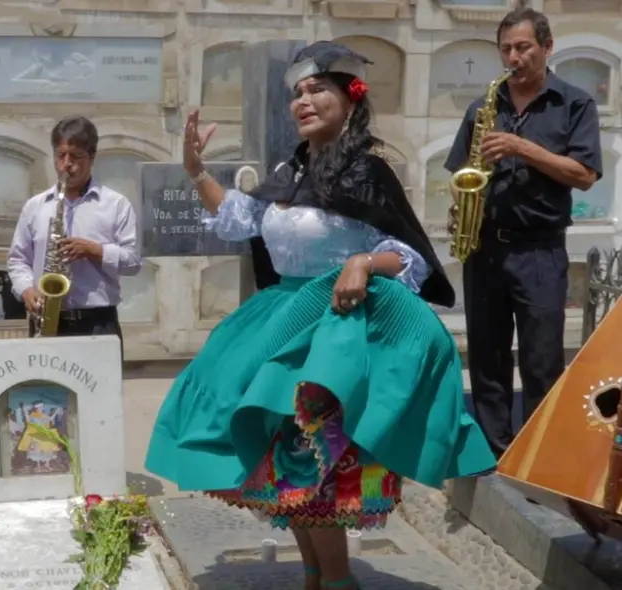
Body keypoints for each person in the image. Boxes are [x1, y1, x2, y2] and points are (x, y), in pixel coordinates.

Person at [144, 42, 496, 590]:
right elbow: (240, 221)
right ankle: (316, 577)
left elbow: (408, 256)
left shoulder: (369, 171)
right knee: (285, 462)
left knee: (317, 463)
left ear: (350, 97)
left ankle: (336, 580)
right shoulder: (290, 170)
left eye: (317, 90)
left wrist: (362, 261)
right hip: (282, 324)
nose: (303, 101)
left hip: (336, 332)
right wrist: (196, 173)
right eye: (297, 94)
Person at [444, 8, 602, 459]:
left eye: (522, 47)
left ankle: (540, 457)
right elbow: (462, 172)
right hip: (486, 249)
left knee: (541, 361)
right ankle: (496, 454)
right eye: (506, 49)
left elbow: (585, 173)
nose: (512, 57)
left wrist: (521, 147)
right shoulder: (483, 107)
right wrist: (464, 208)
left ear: (547, 48)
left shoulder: (575, 104)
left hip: (539, 249)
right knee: (487, 359)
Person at [7, 116, 141, 344]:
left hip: (98, 324)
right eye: (60, 156)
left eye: (76, 156)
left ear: (92, 157)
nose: (67, 164)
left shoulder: (116, 204)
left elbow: (134, 262)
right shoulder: (35, 206)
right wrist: (26, 290)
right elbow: (17, 260)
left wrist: (95, 250)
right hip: (46, 321)